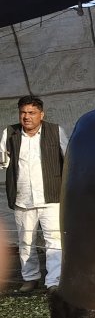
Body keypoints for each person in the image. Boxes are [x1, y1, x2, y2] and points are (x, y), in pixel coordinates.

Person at [1, 96, 68, 292]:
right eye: (23, 112)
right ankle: (30, 279)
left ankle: (54, 281)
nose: (26, 117)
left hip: (51, 198)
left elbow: (69, 159)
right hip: (22, 199)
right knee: (26, 241)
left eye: (31, 113)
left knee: (54, 240)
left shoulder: (56, 132)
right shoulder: (10, 133)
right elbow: (2, 160)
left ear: (41, 114)